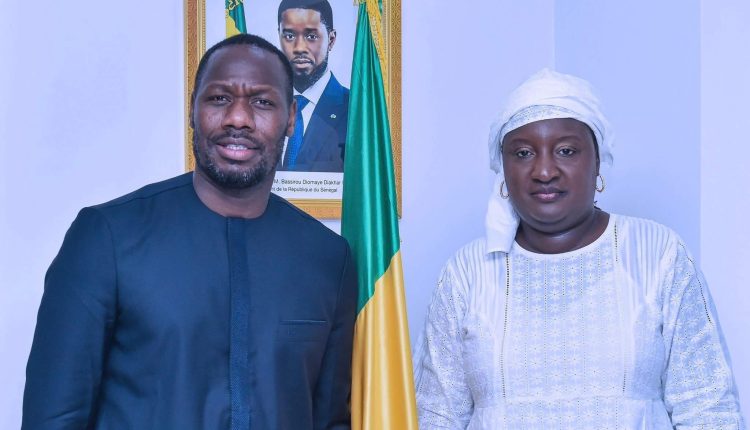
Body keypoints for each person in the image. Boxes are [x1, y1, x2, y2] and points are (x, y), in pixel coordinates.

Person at [23, 34, 357, 429]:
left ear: (290, 118)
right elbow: (53, 419)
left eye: (262, 102)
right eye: (219, 98)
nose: (238, 118)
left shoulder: (327, 259)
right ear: (193, 110)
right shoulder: (106, 238)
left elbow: (330, 420)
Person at [413, 69, 745, 429]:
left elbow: (709, 410)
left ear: (597, 161)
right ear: (503, 169)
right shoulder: (466, 272)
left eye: (566, 151)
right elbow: (436, 416)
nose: (544, 171)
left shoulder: (657, 253)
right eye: (523, 153)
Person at [276, 0, 349, 173]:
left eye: (311, 36)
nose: (299, 48)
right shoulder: (262, 106)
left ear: (331, 40)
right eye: (289, 36)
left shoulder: (357, 110)